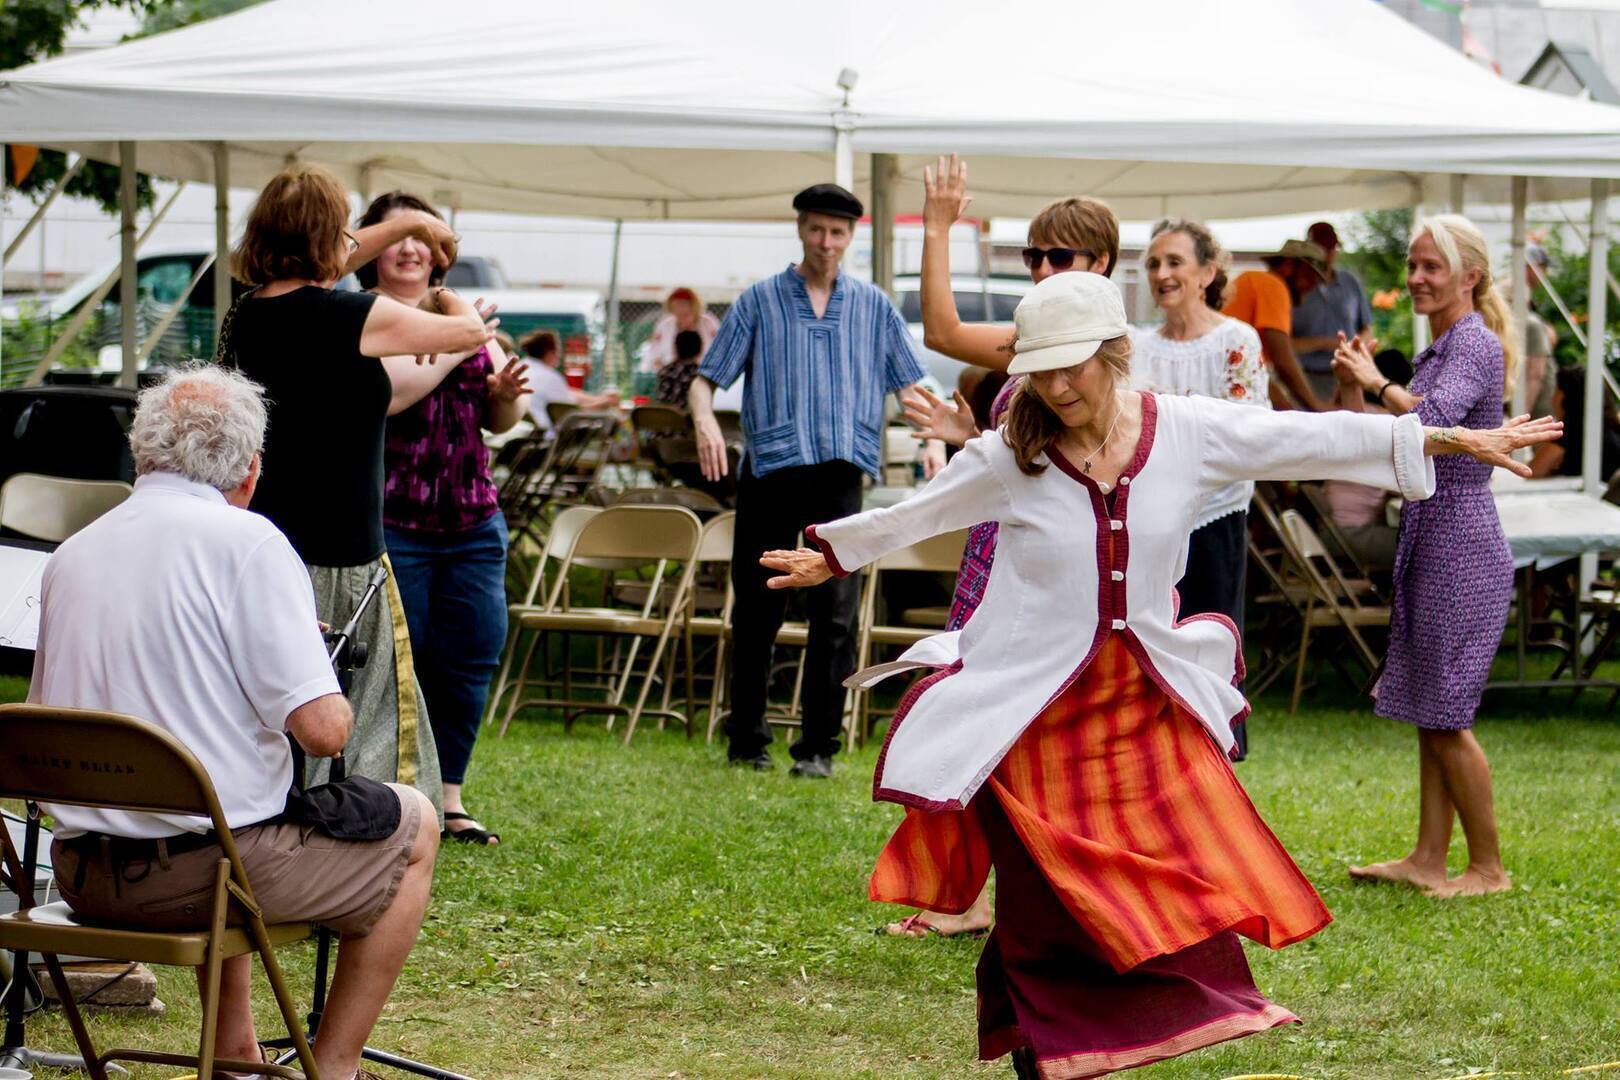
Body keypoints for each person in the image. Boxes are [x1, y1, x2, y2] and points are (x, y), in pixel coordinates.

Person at [765, 272, 1557, 1077]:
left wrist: (1437, 439)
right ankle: (1050, 1051)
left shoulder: (1184, 429)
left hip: (1138, 701)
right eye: (1041, 369)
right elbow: (920, 512)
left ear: (1117, 353)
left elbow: (1304, 438)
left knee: (1179, 858)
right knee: (1043, 896)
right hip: (1029, 707)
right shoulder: (1013, 454)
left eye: (1074, 364)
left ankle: (1138, 1016)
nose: (1058, 386)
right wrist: (831, 551)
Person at [30, 367, 439, 1080]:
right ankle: (336, 1068)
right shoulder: (248, 543)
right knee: (415, 821)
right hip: (197, 878)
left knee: (229, 809)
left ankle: (235, 1054)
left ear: (143, 452)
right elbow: (324, 733)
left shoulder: (73, 553)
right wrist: (307, 655)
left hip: (79, 873)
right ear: (250, 470)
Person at [885, 153, 1121, 938]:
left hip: (1065, 567)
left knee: (1048, 719)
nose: (1044, 268)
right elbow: (944, 333)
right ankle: (970, 894)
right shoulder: (1030, 335)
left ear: (1102, 265)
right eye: (1034, 255)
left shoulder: (1111, 348)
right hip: (1001, 548)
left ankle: (1042, 890)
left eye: (1061, 256)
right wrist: (975, 435)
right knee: (976, 702)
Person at [225, 163, 497, 812]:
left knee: (268, 694)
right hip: (338, 551)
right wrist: (447, 294)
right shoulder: (350, 315)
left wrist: (407, 224)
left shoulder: (252, 310)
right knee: (351, 704)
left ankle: (266, 810)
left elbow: (339, 253)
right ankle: (350, 821)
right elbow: (469, 335)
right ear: (330, 240)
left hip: (267, 537)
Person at [688, 182, 932, 778]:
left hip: (841, 474)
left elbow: (912, 386)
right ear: (801, 229)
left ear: (853, 236)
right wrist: (705, 424)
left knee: (836, 611)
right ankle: (747, 739)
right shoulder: (760, 300)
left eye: (838, 232)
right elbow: (705, 380)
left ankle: (818, 747)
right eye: (818, 229)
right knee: (758, 607)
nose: (827, 241)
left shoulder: (874, 306)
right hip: (771, 469)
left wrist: (934, 439)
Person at [1332, 213, 1531, 898]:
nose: (1415, 278)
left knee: (1448, 714)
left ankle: (1488, 869)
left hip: (1461, 544)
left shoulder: (1473, 345)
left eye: (1430, 268)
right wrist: (1364, 385)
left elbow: (1427, 427)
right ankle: (1426, 858)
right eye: (1413, 266)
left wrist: (1374, 378)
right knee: (1429, 708)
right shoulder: (1445, 345)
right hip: (1434, 535)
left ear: (1469, 277)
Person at [361, 190, 534, 847]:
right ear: (373, 247)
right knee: (394, 663)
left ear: (440, 253)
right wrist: (465, 344)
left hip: (472, 519)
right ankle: (390, 793)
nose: (409, 249)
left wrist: (506, 397)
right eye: (395, 234)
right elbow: (393, 396)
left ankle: (450, 796)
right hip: (392, 519)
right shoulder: (367, 319)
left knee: (468, 658)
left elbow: (496, 420)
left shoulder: (462, 317)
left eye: (423, 238)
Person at [1132, 218, 1267, 707]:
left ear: (1207, 272)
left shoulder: (1236, 341)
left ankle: (1215, 757)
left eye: (1174, 262)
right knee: (1152, 649)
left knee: (1210, 645)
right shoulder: (1136, 346)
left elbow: (1244, 430)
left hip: (1214, 518)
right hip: (1147, 520)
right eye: (1153, 264)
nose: (1161, 274)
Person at [1225, 240, 1331, 412]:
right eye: (1310, 275)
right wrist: (1315, 406)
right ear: (1288, 265)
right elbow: (1283, 360)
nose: (1313, 285)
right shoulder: (1273, 285)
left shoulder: (1256, 280)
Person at [1290, 222, 1374, 404]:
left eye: (1331, 248)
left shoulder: (1350, 282)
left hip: (1348, 376)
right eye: (1320, 248)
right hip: (1305, 377)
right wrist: (1325, 343)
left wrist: (1356, 349)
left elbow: (1367, 328)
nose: (1327, 254)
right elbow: (1282, 344)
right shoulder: (1295, 287)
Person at [1528, 364, 1620, 480]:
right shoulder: (1610, 424)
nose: (1552, 399)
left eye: (1556, 391)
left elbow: (1533, 471)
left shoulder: (1570, 431)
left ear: (1563, 396)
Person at [520, 328, 621, 433]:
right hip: (545, 438)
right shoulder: (551, 377)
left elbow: (569, 394)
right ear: (550, 353)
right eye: (558, 349)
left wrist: (599, 398)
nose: (560, 354)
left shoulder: (522, 368)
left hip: (523, 433)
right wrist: (605, 403)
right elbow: (573, 413)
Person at [641, 286, 720, 375]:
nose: (681, 319)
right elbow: (653, 353)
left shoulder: (708, 324)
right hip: (671, 374)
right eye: (677, 314)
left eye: (686, 314)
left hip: (704, 373)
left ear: (694, 309)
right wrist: (665, 372)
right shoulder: (665, 326)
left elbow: (721, 349)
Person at [1523, 243, 1560, 420]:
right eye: (1542, 268)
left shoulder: (1524, 289)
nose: (1544, 274)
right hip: (1533, 399)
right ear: (1532, 266)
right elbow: (1535, 374)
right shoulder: (1518, 288)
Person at [656, 328, 705, 406]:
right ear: (699, 349)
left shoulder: (665, 372)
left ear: (676, 348)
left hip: (666, 416)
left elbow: (661, 400)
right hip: (691, 417)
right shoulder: (701, 374)